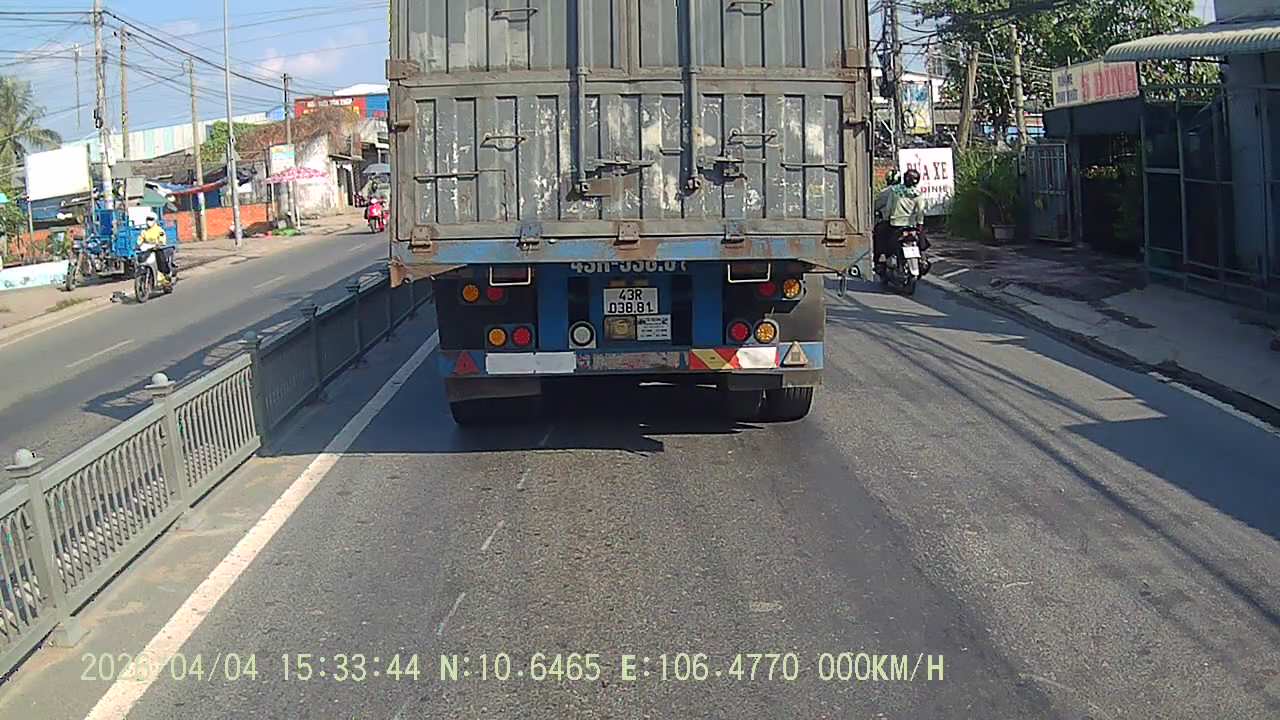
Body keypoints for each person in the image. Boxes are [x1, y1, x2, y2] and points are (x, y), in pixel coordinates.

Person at [877, 168, 931, 272]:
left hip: (895, 224)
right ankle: (923, 258)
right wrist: (920, 225)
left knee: (881, 237)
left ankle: (881, 260)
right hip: (911, 225)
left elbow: (889, 208)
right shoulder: (918, 193)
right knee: (922, 241)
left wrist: (886, 219)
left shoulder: (895, 191)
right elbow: (920, 211)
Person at [138, 215, 175, 281]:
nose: (149, 221)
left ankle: (165, 273)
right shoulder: (144, 231)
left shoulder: (159, 230)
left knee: (161, 259)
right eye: (148, 219)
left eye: (151, 219)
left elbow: (162, 238)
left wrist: (160, 243)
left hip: (157, 249)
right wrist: (138, 245)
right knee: (141, 258)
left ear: (155, 220)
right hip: (148, 249)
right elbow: (140, 239)